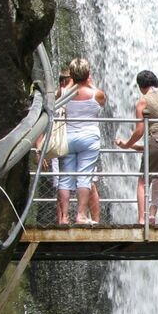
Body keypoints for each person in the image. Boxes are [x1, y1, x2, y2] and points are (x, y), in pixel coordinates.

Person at [116, 70, 158, 225]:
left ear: (140, 86)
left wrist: (127, 145)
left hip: (156, 140)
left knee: (143, 181)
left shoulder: (143, 101)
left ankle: (141, 219)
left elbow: (139, 130)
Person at [57, 58, 106, 225]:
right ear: (88, 74)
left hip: (68, 137)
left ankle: (63, 218)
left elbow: (58, 104)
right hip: (89, 138)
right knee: (84, 176)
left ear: (71, 74)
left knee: (65, 177)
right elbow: (102, 103)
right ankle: (81, 215)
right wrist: (89, 84)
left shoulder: (63, 93)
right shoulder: (96, 94)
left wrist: (71, 86)